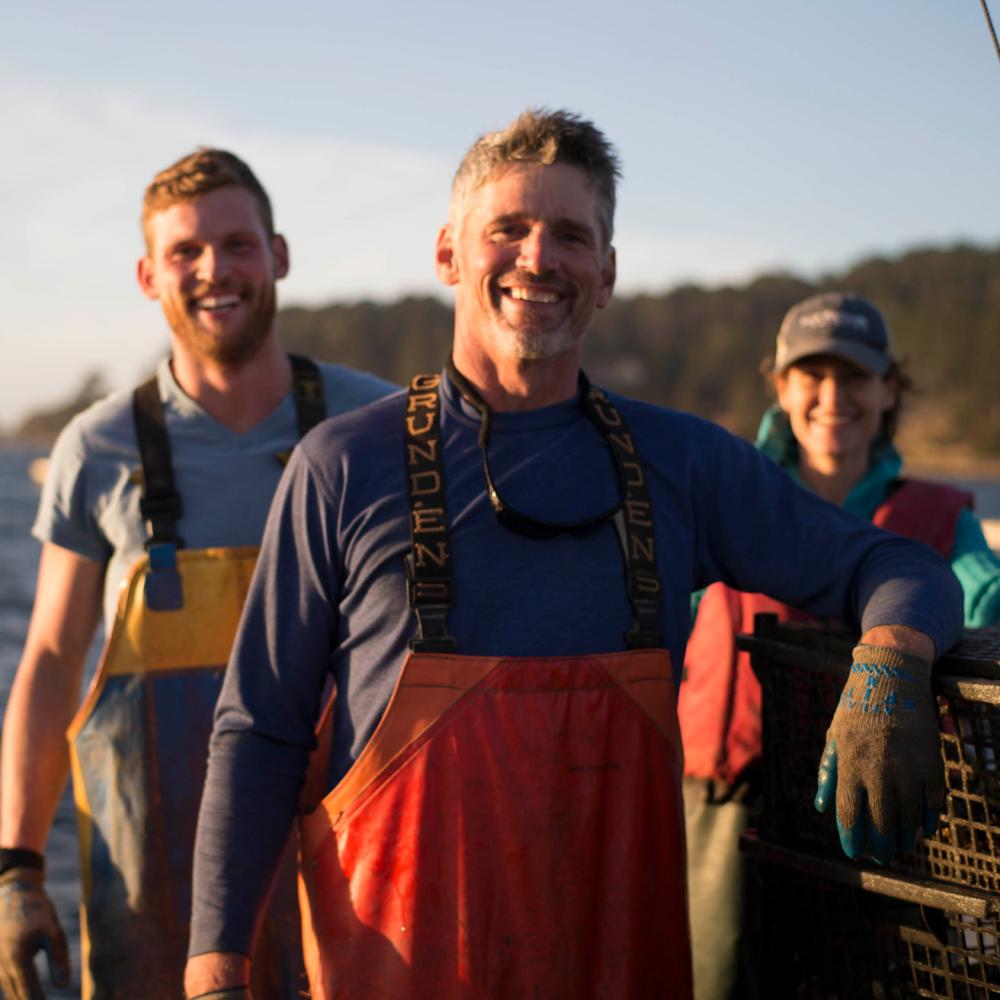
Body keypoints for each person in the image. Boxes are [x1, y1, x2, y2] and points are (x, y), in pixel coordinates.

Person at [183, 111, 964, 1000]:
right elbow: (260, 732)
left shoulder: (683, 464)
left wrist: (891, 667)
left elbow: (898, 567)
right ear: (448, 254)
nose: (538, 258)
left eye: (571, 236)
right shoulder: (342, 467)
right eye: (507, 230)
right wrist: (216, 968)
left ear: (608, 274)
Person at [0, 148, 394, 1000]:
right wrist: (18, 871)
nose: (215, 270)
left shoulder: (382, 426)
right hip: (153, 903)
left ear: (279, 255)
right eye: (186, 252)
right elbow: (51, 661)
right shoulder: (95, 449)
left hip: (355, 896)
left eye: (238, 244)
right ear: (149, 275)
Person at [679, 291, 1000, 1000]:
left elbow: (985, 595)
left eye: (854, 376)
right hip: (720, 809)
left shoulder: (940, 518)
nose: (833, 396)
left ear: (889, 390)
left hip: (881, 805)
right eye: (811, 375)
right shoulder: (724, 498)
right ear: (781, 386)